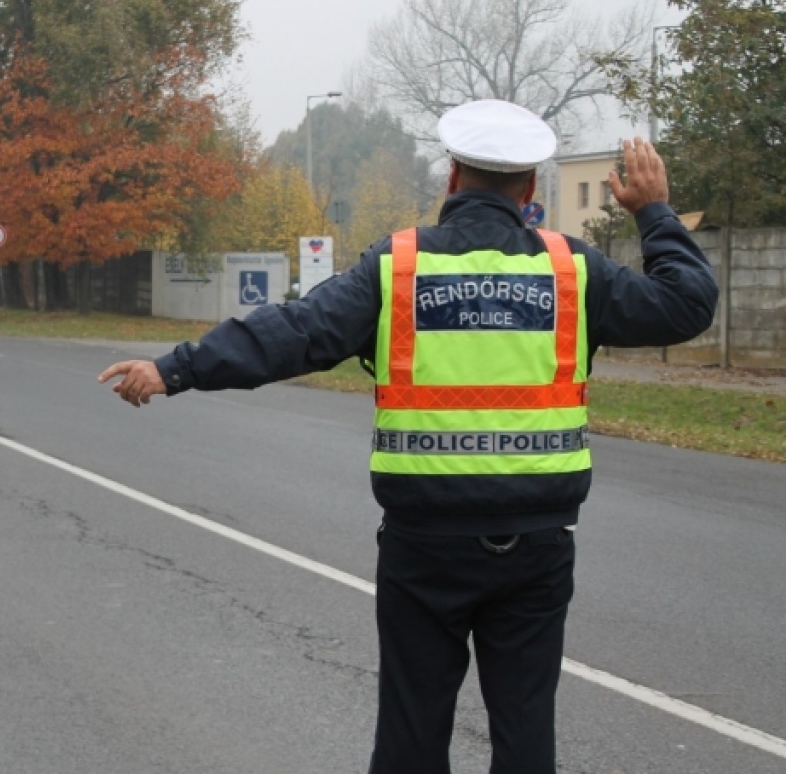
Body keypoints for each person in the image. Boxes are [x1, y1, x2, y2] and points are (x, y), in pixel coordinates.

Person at [98, 99, 718, 773]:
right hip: (536, 549)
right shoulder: (572, 272)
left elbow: (293, 333)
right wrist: (654, 211)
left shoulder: (397, 267)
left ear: (452, 178)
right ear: (531, 189)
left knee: (412, 736)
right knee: (525, 736)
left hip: (424, 549)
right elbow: (686, 303)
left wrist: (173, 370)